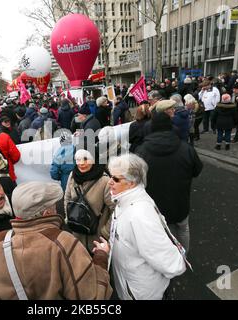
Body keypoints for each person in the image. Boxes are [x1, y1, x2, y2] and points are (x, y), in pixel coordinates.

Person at [0, 181, 113, 300]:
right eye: (54, 206)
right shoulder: (63, 242)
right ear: (47, 213)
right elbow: (93, 297)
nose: (57, 209)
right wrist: (101, 257)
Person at [106, 154, 186, 300]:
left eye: (116, 179)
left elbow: (171, 263)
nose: (109, 182)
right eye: (110, 176)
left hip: (141, 293)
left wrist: (178, 262)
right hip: (132, 286)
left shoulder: (140, 215)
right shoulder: (125, 200)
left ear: (131, 182)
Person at [136, 112, 203, 252]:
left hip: (155, 204)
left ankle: (168, 257)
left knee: (162, 232)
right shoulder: (186, 149)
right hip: (180, 200)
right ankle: (183, 256)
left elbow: (136, 180)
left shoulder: (141, 151)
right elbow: (197, 170)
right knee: (183, 228)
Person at [64, 149, 115, 251]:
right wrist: (68, 218)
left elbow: (115, 209)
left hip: (97, 242)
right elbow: (67, 198)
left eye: (86, 159)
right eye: (78, 159)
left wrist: (105, 231)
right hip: (77, 236)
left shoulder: (105, 181)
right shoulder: (73, 176)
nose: (82, 163)